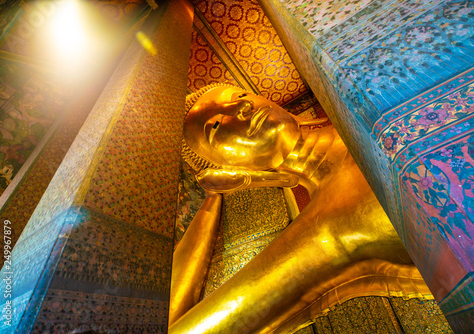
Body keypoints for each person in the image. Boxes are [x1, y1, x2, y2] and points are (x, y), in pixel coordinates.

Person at [169, 84, 431, 333]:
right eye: (215, 126)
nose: (243, 107)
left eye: (239, 95)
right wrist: (212, 200)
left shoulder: (361, 105)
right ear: (229, 168)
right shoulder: (327, 227)